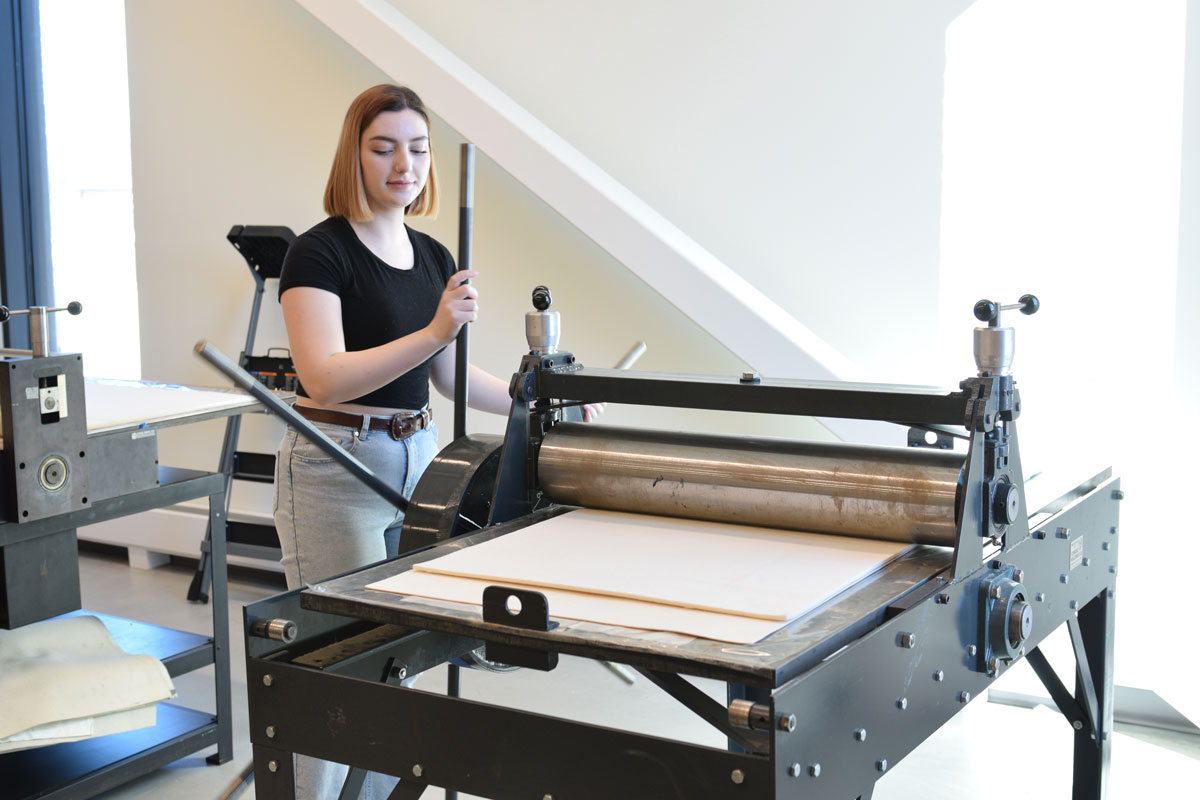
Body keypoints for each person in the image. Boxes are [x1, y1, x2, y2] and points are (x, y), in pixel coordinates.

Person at [273, 84, 599, 799]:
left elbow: (447, 376)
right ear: (353, 155)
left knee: (401, 660)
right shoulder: (317, 253)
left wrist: (534, 397)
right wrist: (431, 331)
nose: (404, 164)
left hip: (422, 461)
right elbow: (324, 379)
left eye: (417, 149)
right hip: (337, 466)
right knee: (339, 662)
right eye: (383, 147)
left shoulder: (430, 253)